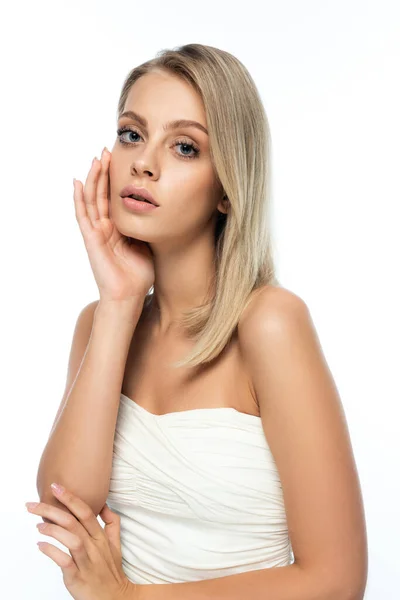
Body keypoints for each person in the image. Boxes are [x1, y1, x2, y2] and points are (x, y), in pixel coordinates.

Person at [35, 43, 367, 596]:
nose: (144, 162)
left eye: (185, 147)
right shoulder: (99, 324)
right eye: (131, 134)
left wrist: (132, 598)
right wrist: (118, 304)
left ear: (227, 191)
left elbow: (337, 581)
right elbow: (64, 502)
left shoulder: (270, 323)